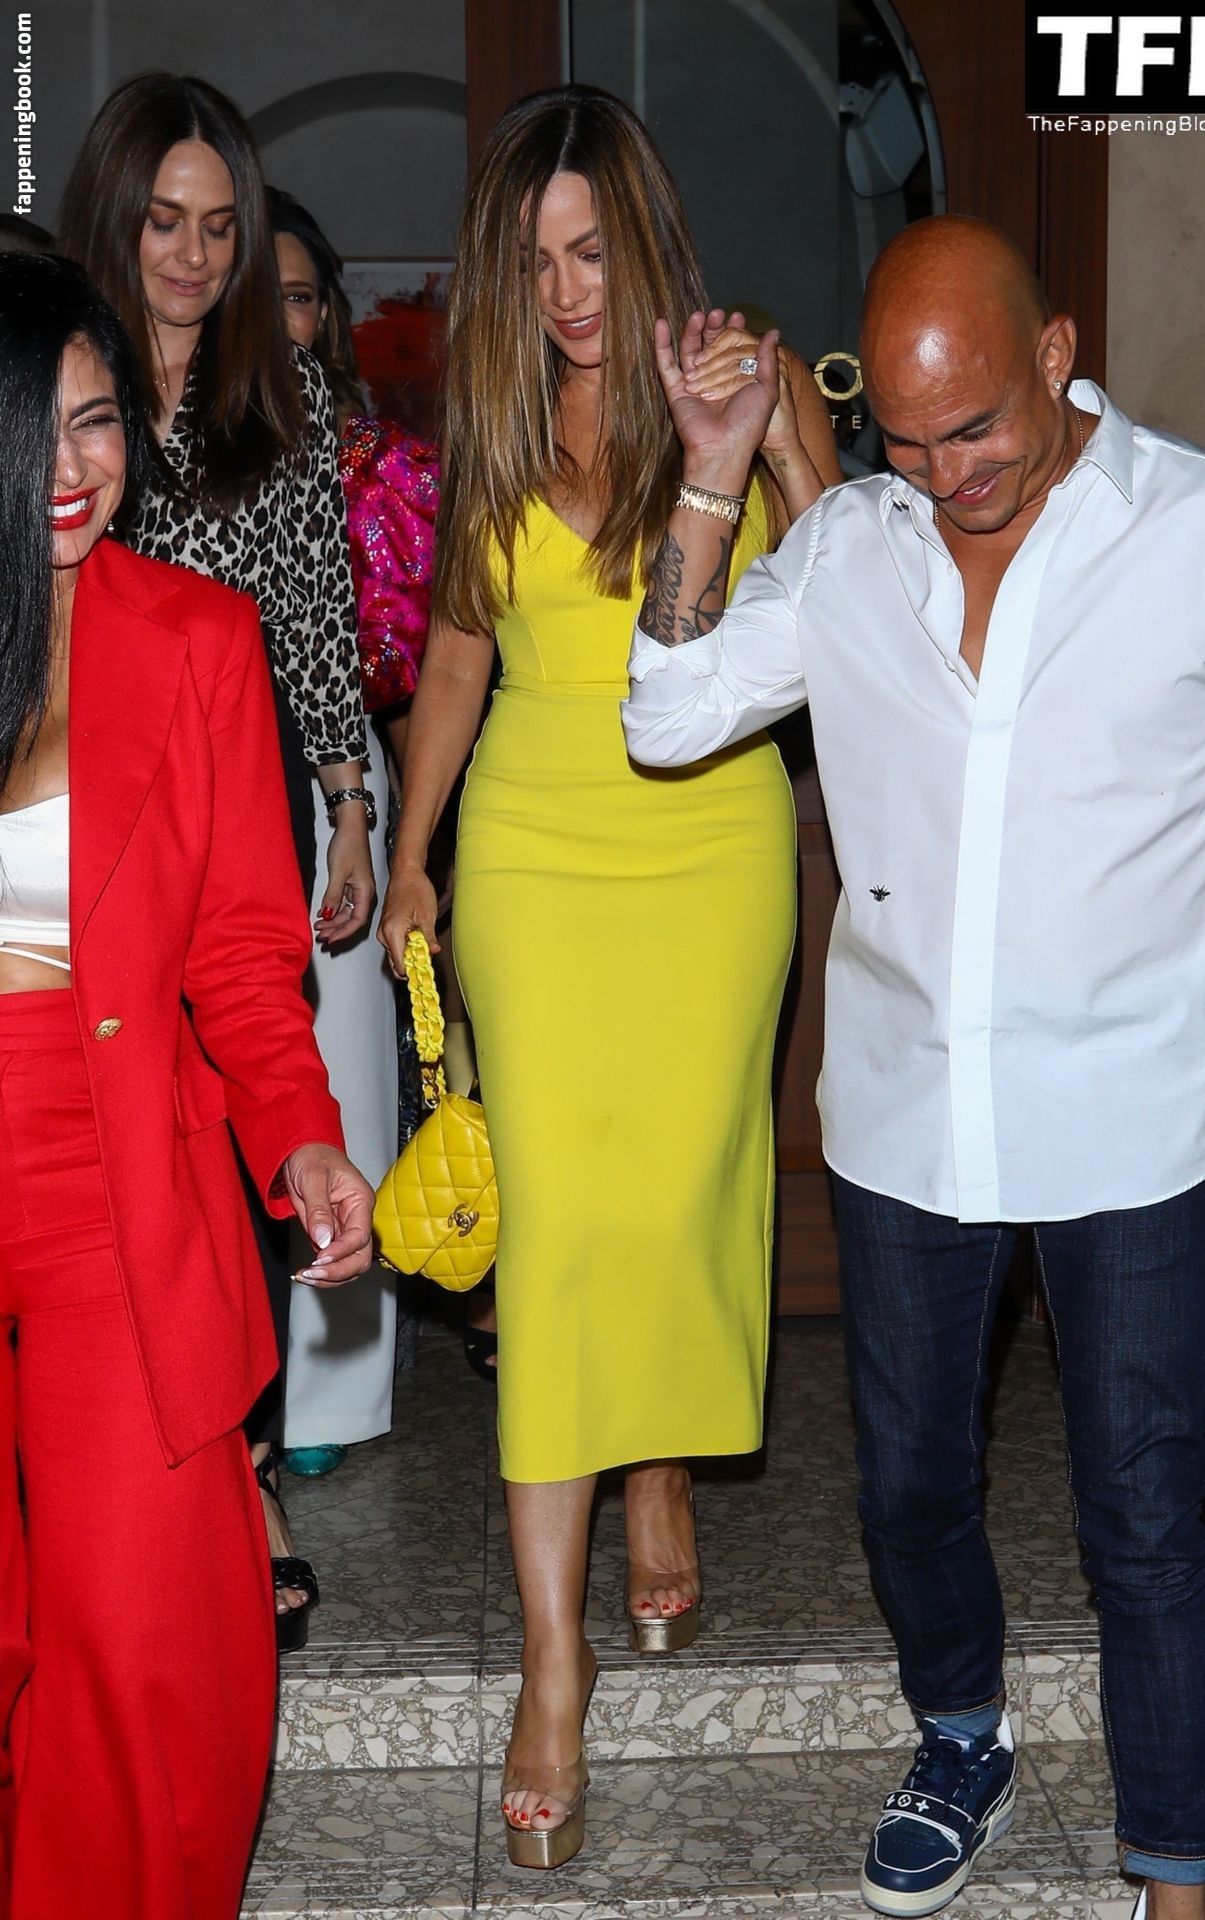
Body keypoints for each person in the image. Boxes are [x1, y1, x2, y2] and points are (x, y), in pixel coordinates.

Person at [621, 212, 1205, 1920]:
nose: (945, 475)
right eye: (907, 442)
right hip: (904, 1118)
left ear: (1056, 356)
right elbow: (666, 716)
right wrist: (714, 471)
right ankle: (960, 1735)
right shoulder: (851, 546)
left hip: (1133, 1121)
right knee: (910, 1490)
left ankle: (1178, 1877)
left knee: (1144, 1519)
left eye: (974, 428)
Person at [379, 82, 840, 1871]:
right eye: (535, 263)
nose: (568, 294)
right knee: (564, 1230)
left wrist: (778, 438)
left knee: (668, 1192)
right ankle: (551, 1663)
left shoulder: (742, 375)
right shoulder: (494, 423)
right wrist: (413, 855)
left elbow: (851, 583)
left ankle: (659, 1465)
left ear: (643, 239)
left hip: (710, 841)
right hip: (535, 846)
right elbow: (454, 659)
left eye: (590, 253)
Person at [0, 251, 373, 1917]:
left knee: (138, 1640)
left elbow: (238, 954)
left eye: (97, 423)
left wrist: (303, 1142)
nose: (72, 468)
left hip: (114, 1192)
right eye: (34, 430)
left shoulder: (201, 639)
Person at [59, 72, 374, 1640]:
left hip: (238, 797)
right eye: (164, 222)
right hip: (88, 812)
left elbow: (315, 603)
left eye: (219, 227)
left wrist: (351, 799)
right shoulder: (62, 381)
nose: (191, 255)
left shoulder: (280, 385)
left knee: (243, 1117)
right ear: (116, 220)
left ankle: (242, 1472)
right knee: (120, 1133)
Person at [268, 184, 440, 1472]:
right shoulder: (163, 440)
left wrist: (377, 822)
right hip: (207, 760)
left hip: (339, 772)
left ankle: (330, 1398)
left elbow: (417, 650)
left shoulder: (377, 460)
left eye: (296, 295)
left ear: (325, 310)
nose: (277, 318)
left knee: (341, 1066)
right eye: (255, 298)